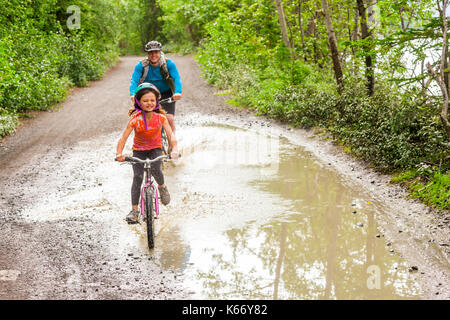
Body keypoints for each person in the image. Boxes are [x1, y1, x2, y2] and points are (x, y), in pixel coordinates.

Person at [116, 82, 178, 224]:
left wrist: (174, 149)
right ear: (139, 102)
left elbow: (170, 136)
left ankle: (162, 187)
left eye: (152, 100)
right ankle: (134, 210)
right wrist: (119, 153)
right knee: (137, 177)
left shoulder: (161, 118)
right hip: (139, 150)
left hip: (155, 148)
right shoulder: (135, 119)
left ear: (156, 101)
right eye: (145, 100)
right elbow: (123, 137)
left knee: (156, 169)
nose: (149, 103)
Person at [129, 40, 182, 136]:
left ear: (160, 52)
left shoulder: (168, 64)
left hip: (166, 94)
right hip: (148, 95)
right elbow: (134, 81)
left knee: (169, 118)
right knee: (144, 119)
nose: (153, 55)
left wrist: (178, 92)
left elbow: (176, 78)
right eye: (151, 52)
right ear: (147, 54)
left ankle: (172, 144)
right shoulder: (141, 66)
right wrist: (132, 94)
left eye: (156, 52)